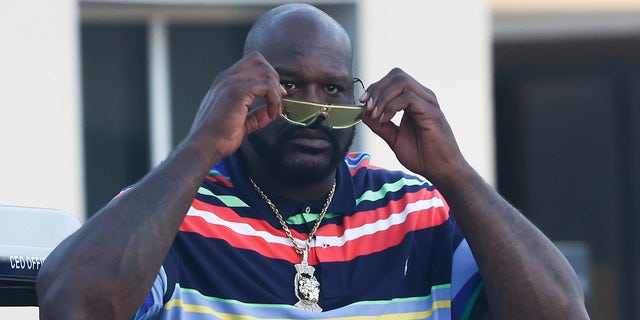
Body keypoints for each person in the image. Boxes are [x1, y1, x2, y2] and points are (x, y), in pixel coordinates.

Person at [36, 3, 589, 320]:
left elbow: (560, 313)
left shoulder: (417, 213)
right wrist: (200, 145)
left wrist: (455, 174)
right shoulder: (177, 214)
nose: (314, 113)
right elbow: (74, 305)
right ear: (242, 93)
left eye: (333, 90)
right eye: (289, 88)